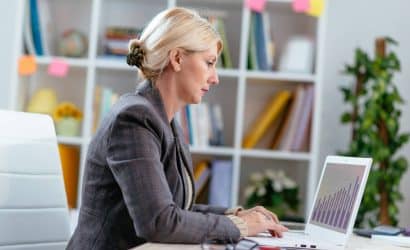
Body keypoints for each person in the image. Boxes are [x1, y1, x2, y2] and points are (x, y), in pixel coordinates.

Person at [67, 7, 287, 249]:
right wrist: (241, 227)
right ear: (177, 58)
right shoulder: (134, 118)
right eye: (209, 63)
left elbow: (175, 208)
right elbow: (158, 221)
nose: (215, 78)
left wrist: (236, 215)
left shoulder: (164, 119)